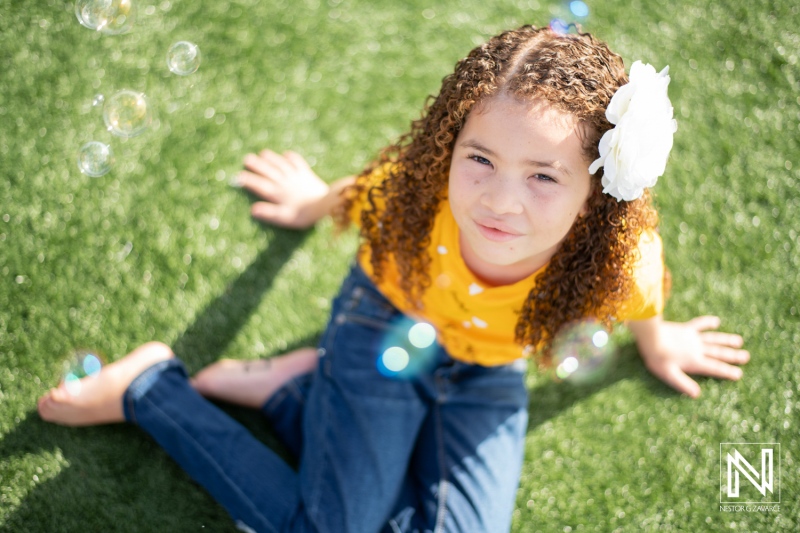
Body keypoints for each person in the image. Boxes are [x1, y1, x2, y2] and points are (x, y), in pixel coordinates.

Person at [37, 24, 749, 533]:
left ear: (596, 192)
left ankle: (296, 393)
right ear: (450, 144)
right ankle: (150, 386)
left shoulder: (620, 261)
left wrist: (656, 345)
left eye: (543, 175)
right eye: (480, 159)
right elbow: (359, 190)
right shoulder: (413, 192)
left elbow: (644, 299)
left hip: (486, 376)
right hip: (381, 326)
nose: (500, 200)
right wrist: (311, 201)